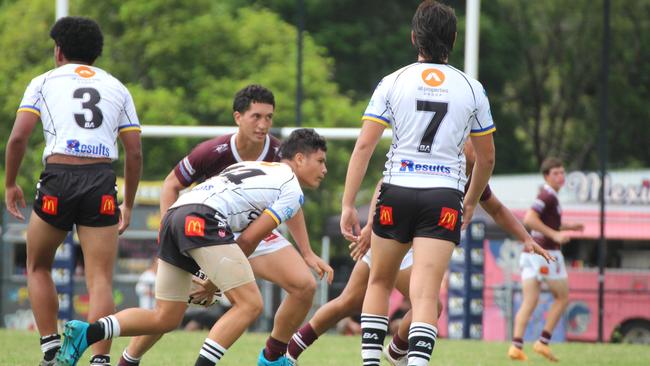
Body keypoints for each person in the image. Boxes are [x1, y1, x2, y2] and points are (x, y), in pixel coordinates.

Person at [56, 128, 328, 366]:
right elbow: (248, 239)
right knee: (250, 304)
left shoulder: (253, 168)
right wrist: (213, 283)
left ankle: (86, 333)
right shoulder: (291, 188)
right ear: (300, 159)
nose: (325, 170)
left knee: (165, 317)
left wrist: (305, 251)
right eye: (321, 161)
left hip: (174, 216)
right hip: (202, 219)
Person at [115, 84, 333, 366]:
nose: (264, 124)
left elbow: (290, 204)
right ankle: (129, 359)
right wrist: (169, 237)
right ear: (237, 117)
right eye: (256, 116)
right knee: (170, 311)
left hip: (254, 232)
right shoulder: (212, 151)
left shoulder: (284, 154)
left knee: (304, 285)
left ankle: (272, 357)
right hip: (205, 231)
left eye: (269, 117)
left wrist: (306, 251)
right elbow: (171, 184)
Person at [287, 141, 552, 365]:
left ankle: (290, 354)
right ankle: (395, 351)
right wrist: (371, 224)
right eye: (475, 140)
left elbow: (497, 209)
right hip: (400, 241)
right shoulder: (442, 160)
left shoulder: (472, 177)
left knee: (350, 301)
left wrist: (526, 238)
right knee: (426, 304)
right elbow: (386, 181)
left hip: (401, 240)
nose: (482, 147)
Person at [340, 1, 496, 364]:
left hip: (397, 189)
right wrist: (470, 201)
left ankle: (371, 362)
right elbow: (486, 159)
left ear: (414, 38)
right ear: (454, 39)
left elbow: (364, 145)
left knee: (379, 281)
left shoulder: (392, 81)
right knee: (425, 295)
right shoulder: (472, 89)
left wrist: (349, 203)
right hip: (443, 196)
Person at [3, 16, 142, 366]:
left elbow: (19, 137)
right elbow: (135, 152)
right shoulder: (117, 87)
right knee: (99, 279)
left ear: (58, 50)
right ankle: (99, 359)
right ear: (96, 54)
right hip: (100, 180)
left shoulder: (43, 82)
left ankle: (51, 347)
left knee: (38, 265)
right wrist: (129, 204)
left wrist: (10, 182)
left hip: (59, 177)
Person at [508, 157, 584, 362]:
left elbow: (542, 223)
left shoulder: (550, 196)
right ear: (546, 176)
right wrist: (555, 235)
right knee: (562, 298)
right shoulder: (547, 195)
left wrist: (568, 227)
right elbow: (530, 219)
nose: (560, 176)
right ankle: (543, 341)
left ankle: (515, 346)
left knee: (530, 300)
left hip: (530, 253)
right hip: (546, 253)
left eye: (562, 172)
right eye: (555, 173)